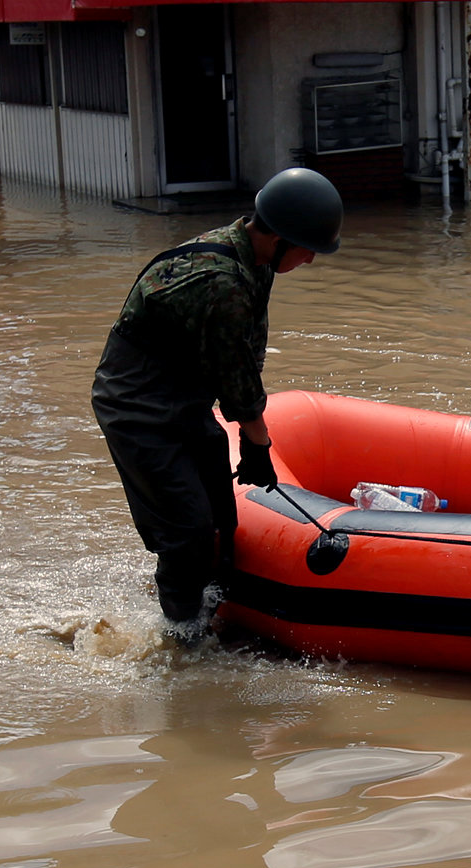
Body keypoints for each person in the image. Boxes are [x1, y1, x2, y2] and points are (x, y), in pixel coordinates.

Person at [91, 167, 341, 633]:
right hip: (136, 403)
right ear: (283, 238)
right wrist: (258, 440)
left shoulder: (256, 262)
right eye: (310, 250)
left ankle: (210, 606)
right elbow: (236, 376)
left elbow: (246, 353)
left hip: (183, 392)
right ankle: (180, 638)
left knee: (221, 514)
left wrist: (252, 437)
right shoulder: (221, 281)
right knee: (186, 529)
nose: (310, 261)